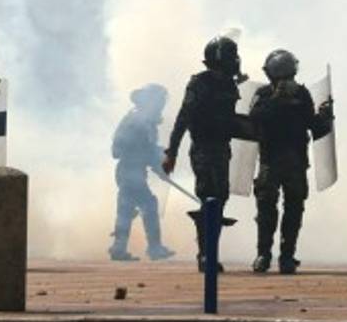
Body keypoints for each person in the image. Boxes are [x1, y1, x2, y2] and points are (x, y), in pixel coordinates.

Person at [162, 36, 254, 272]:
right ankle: (205, 255)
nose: (236, 61)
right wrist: (171, 152)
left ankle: (210, 252)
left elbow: (231, 120)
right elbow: (183, 118)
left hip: (222, 149)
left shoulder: (229, 85)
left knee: (220, 198)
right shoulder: (199, 84)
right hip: (203, 148)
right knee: (208, 197)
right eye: (232, 56)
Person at [248, 49, 334, 275]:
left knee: (294, 209)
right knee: (266, 208)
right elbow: (254, 120)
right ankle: (264, 254)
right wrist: (277, 99)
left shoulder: (302, 95)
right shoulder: (264, 94)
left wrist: (325, 116)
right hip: (270, 161)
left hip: (295, 162)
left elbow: (315, 128)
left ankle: (287, 256)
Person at [108, 84, 175, 261]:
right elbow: (120, 149)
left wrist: (157, 160)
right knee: (147, 205)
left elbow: (149, 149)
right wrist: (153, 158)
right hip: (130, 170)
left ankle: (119, 248)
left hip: (133, 171)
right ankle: (153, 248)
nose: (161, 104)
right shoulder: (139, 121)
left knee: (126, 209)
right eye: (158, 100)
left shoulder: (141, 120)